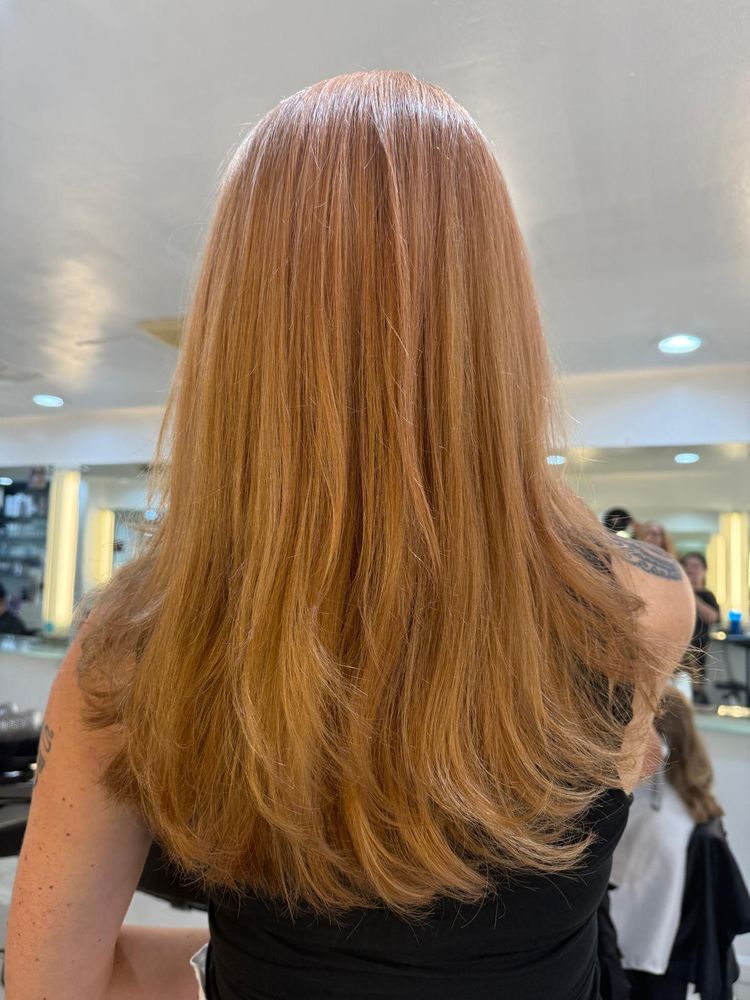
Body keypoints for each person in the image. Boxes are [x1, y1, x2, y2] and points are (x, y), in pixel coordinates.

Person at [6, 72, 695, 1000]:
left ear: (236, 328)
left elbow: (55, 984)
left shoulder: (132, 651)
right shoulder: (642, 605)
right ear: (495, 313)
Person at [610, 688, 750, 999]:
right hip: (674, 952)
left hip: (639, 952)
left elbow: (616, 887)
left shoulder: (653, 820)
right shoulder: (696, 805)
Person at [680, 552, 720, 704]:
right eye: (687, 566)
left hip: (698, 650)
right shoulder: (677, 593)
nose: (690, 570)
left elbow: (711, 617)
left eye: (695, 566)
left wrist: (690, 593)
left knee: (695, 691)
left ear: (704, 570)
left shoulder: (707, 595)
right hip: (679, 648)